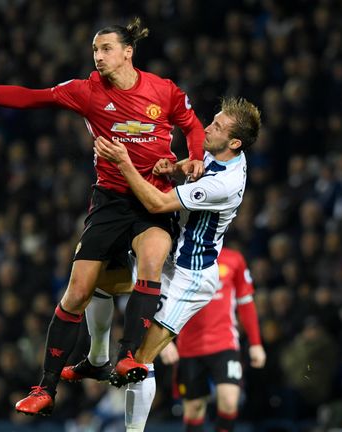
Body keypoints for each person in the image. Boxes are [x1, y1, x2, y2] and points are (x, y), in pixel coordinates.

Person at [0, 17, 206, 417]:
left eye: (106, 49)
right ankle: (46, 388)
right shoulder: (86, 91)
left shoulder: (162, 90)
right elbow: (28, 97)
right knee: (78, 291)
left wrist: (195, 157)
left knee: (150, 265)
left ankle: (129, 356)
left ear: (128, 52)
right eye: (95, 50)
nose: (98, 57)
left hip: (153, 198)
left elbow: (192, 124)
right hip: (111, 200)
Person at [93, 96, 261, 431]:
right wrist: (176, 169)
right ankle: (96, 356)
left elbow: (157, 204)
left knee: (141, 357)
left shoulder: (224, 184)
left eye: (216, 126)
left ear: (235, 142)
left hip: (191, 278)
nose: (207, 127)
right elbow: (194, 171)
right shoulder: (222, 157)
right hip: (173, 260)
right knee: (102, 281)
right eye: (212, 120)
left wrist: (124, 163)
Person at [161, 247, 266, 432]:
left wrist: (256, 343)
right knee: (194, 410)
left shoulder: (234, 259)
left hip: (224, 344)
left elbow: (246, 302)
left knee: (229, 401)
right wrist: (163, 341)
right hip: (189, 348)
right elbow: (160, 299)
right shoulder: (179, 258)